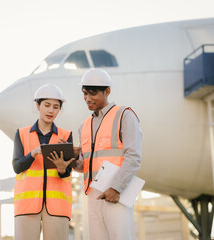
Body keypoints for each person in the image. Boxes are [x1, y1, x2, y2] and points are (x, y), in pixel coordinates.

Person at [77, 68, 142, 240]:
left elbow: (133, 157)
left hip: (117, 193)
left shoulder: (125, 115)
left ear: (107, 91)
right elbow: (85, 164)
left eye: (93, 93)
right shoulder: (84, 125)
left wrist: (116, 188)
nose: (88, 99)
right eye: (85, 93)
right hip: (93, 195)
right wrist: (68, 161)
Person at [12, 83, 75, 240]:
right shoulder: (21, 134)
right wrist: (32, 154)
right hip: (27, 205)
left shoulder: (66, 136)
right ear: (37, 105)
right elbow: (17, 166)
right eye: (47, 105)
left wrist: (62, 168)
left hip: (57, 207)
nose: (51, 110)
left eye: (56, 107)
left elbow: (67, 172)